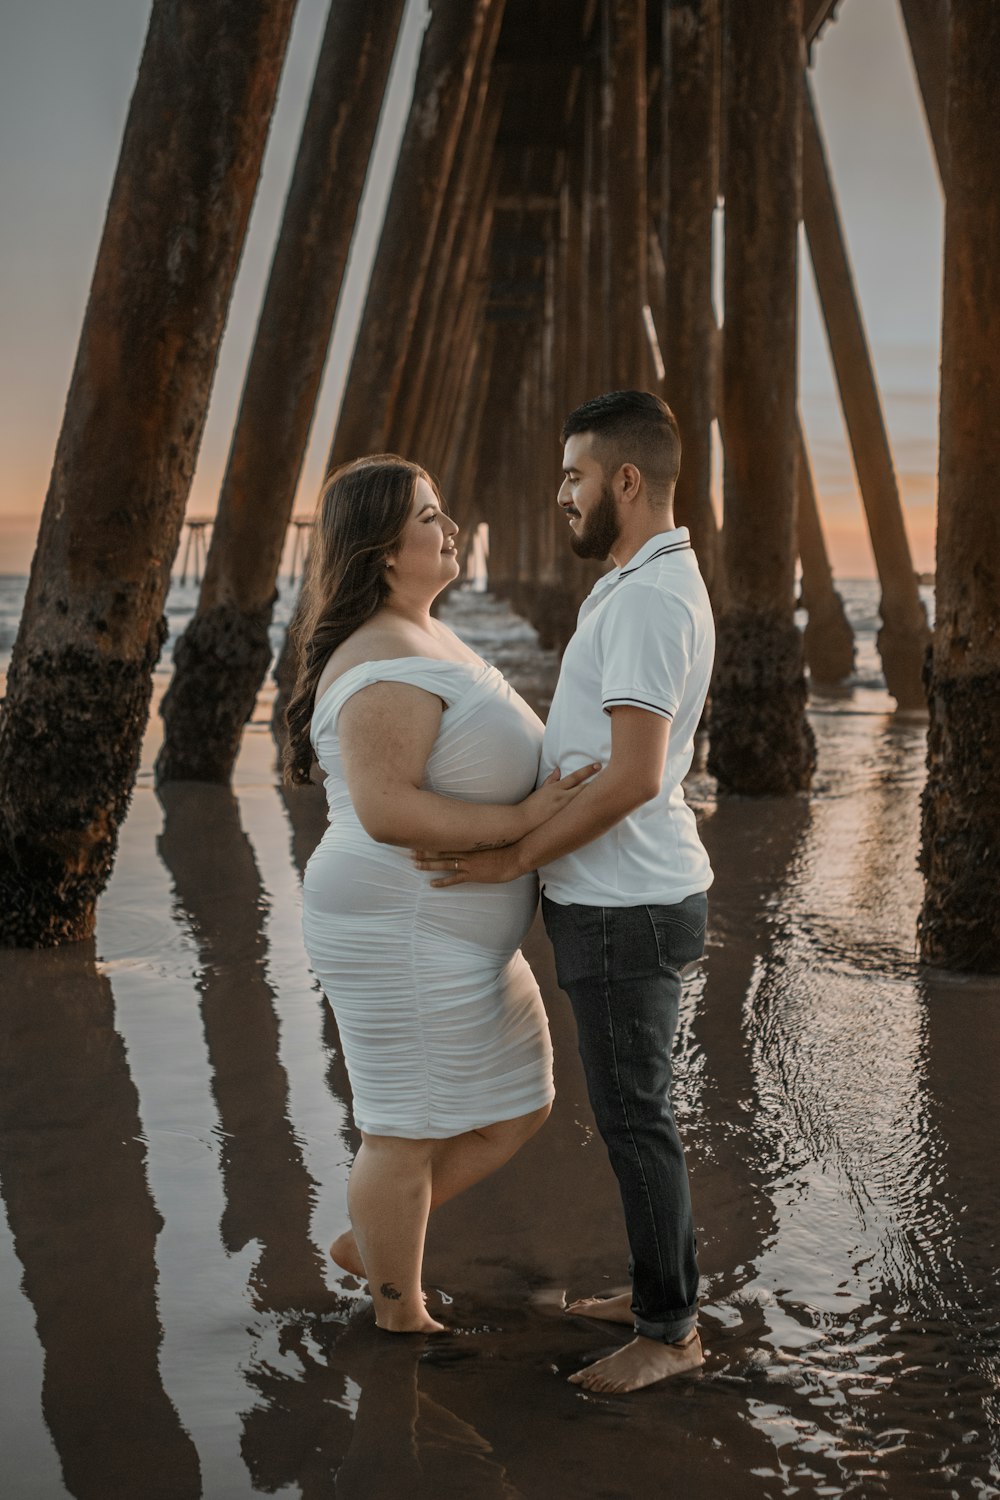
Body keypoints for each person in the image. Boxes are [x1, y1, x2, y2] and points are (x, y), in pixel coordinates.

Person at [415, 390, 715, 1392]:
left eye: (574, 477)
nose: (559, 497)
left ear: (625, 480)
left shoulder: (645, 598)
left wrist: (511, 855)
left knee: (637, 1118)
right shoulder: (643, 583)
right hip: (619, 894)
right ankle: (650, 1294)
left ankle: (669, 1335)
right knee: (632, 1112)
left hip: (625, 905)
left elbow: (631, 774)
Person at [283, 454, 598, 1335]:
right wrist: (528, 816)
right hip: (399, 921)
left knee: (521, 1098)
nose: (451, 527)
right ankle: (400, 1311)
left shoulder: (421, 630)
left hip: (442, 927)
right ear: (383, 550)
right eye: (429, 516)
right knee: (401, 1127)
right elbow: (387, 810)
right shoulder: (383, 655)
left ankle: (373, 1240)